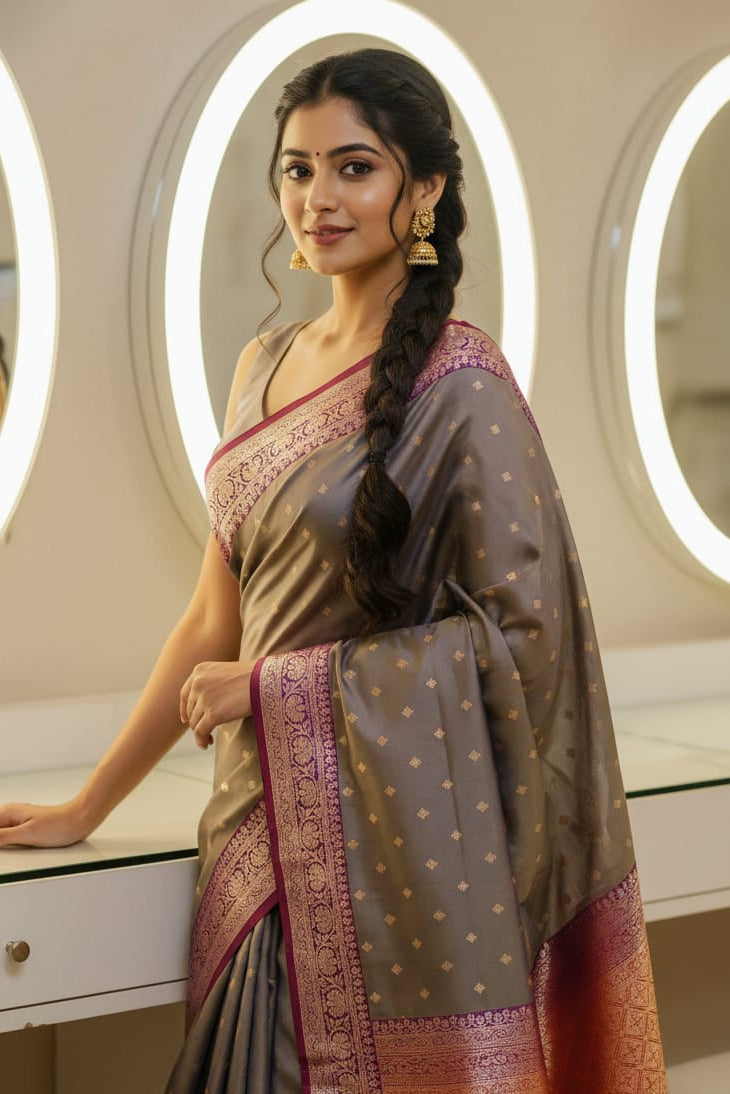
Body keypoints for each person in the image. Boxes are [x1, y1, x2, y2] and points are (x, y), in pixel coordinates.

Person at [0, 48, 667, 1093]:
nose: (317, 199)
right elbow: (209, 620)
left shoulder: (463, 386)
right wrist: (88, 802)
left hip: (391, 863)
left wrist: (277, 687)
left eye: (353, 167)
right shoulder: (258, 365)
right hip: (252, 829)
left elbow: (519, 644)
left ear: (425, 189)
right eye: (297, 169)